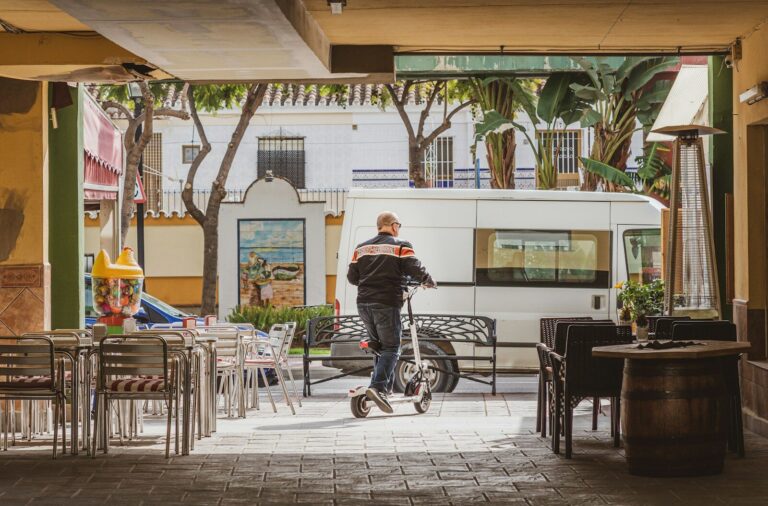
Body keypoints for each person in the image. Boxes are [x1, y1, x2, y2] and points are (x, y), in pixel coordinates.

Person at [347, 211, 435, 413]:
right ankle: (378, 387)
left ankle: (383, 387)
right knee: (392, 346)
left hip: (364, 304)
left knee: (379, 346)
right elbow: (414, 267)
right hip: (386, 303)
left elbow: (352, 278)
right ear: (394, 226)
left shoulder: (361, 248)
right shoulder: (401, 245)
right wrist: (428, 280)